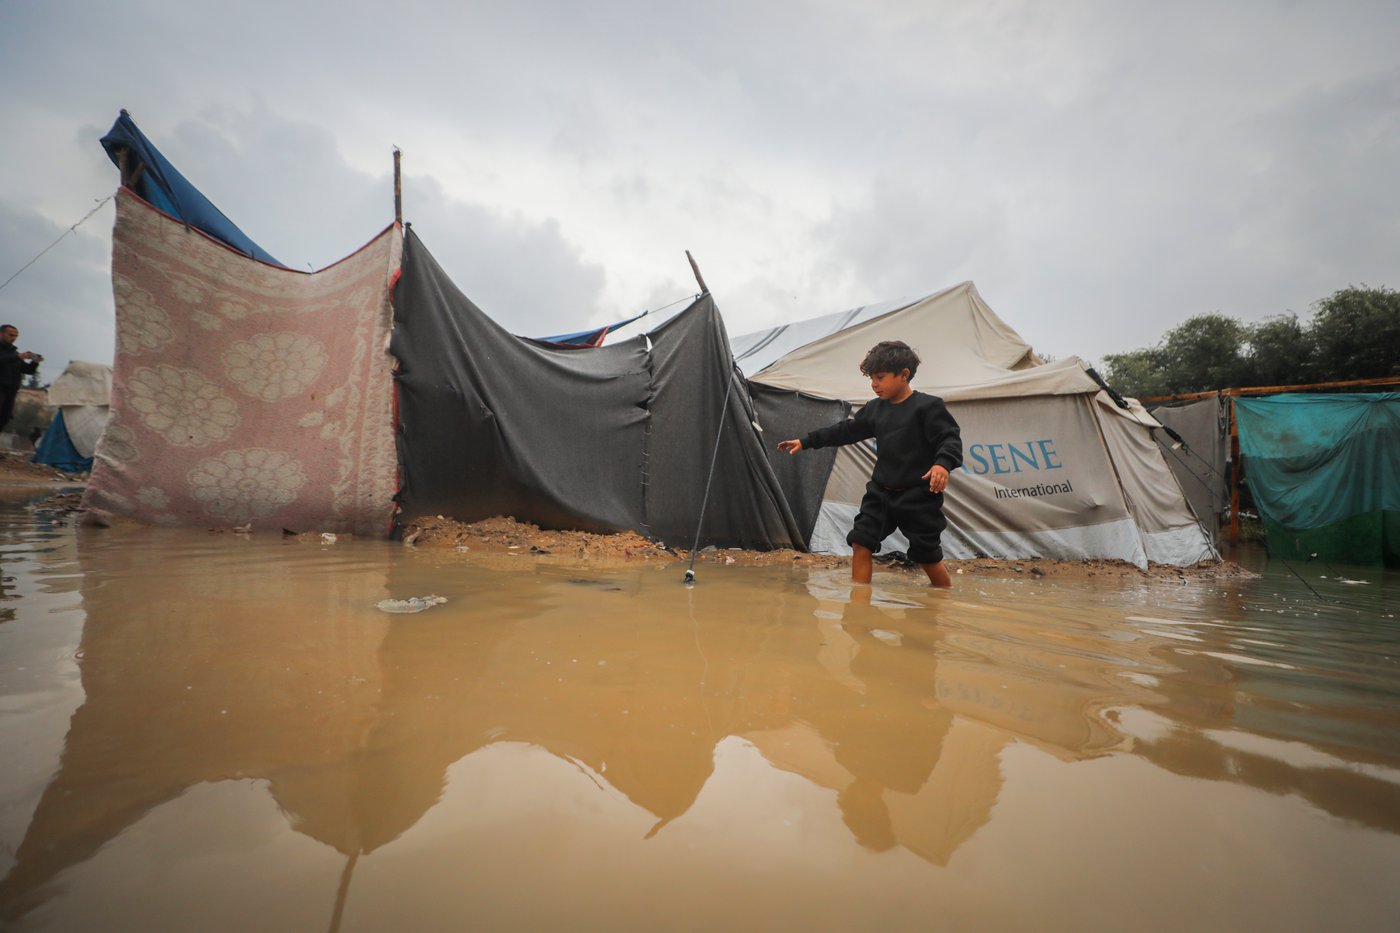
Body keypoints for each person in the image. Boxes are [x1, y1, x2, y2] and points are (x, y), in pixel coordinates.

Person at [777, 340, 962, 587]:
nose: (874, 384)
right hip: (881, 494)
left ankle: (943, 597)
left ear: (904, 375)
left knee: (927, 556)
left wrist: (942, 464)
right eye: (872, 378)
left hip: (919, 496)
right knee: (860, 542)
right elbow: (845, 431)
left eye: (880, 377)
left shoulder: (928, 407)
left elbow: (949, 438)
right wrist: (806, 441)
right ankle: (859, 601)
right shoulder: (875, 409)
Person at [0, 325, 42, 436]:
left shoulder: (14, 353)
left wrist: (35, 362)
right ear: (1, 333)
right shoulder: (15, 356)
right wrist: (18, 357)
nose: (13, 338)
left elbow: (28, 370)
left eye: (15, 336)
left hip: (11, 391)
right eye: (10, 335)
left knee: (4, 418)